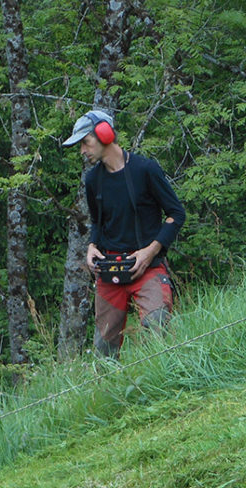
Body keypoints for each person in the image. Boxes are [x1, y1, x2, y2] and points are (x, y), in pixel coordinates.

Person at [62, 110, 185, 358]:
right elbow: (98, 222)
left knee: (158, 330)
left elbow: (176, 214)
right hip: (109, 270)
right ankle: (110, 384)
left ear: (104, 134)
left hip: (148, 268)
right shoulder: (93, 180)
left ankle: (161, 380)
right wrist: (92, 245)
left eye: (85, 142)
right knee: (103, 351)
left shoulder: (146, 170)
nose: (82, 150)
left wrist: (150, 252)